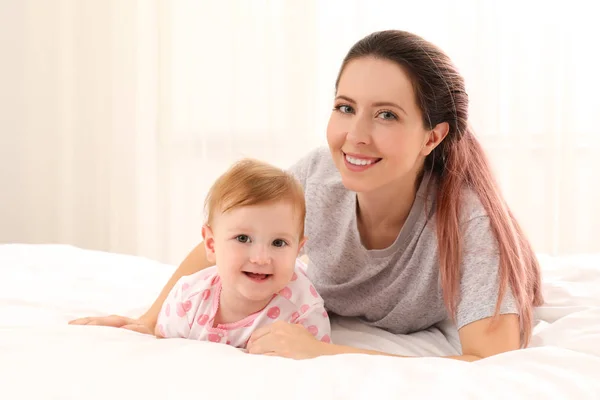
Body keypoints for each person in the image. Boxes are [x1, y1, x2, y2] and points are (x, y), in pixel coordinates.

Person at [70, 30, 543, 361]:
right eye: (345, 107)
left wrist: (326, 354)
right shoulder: (319, 176)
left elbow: (490, 358)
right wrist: (149, 320)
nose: (355, 135)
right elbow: (233, 235)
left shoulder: (466, 219)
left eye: (387, 116)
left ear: (432, 137)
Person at [77, 159, 332, 348]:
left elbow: (314, 365)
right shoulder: (188, 299)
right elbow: (162, 349)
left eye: (279, 243)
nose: (261, 258)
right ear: (211, 245)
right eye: (243, 239)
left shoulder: (303, 313)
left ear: (298, 250)